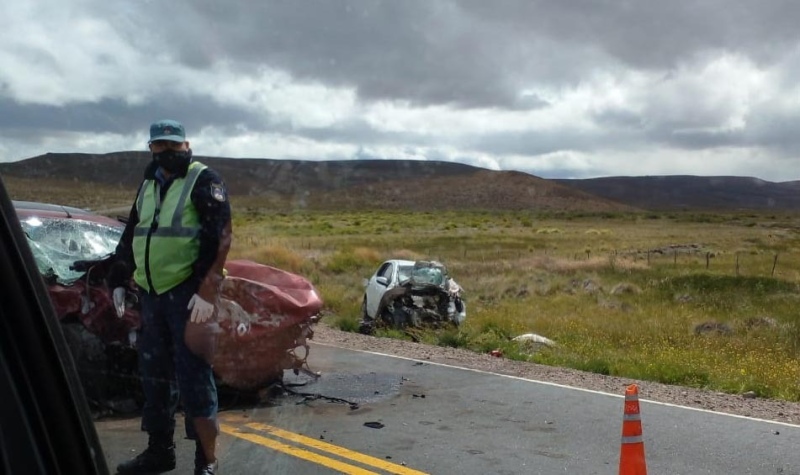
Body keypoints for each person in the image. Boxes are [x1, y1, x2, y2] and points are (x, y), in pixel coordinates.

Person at [109, 119, 232, 475]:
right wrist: (119, 275)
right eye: (160, 146)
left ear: (186, 145)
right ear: (150, 148)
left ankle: (205, 461)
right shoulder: (148, 183)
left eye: (173, 147)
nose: (167, 152)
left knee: (195, 377)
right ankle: (159, 451)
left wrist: (207, 291)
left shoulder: (203, 180)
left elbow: (220, 237)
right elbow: (135, 229)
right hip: (152, 296)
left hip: (188, 297)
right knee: (155, 376)